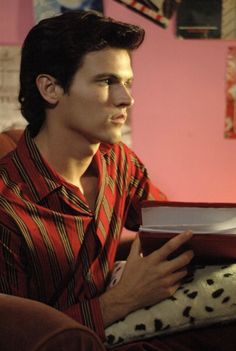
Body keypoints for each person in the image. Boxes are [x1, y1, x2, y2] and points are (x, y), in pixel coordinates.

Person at [0, 10, 235, 351]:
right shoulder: (7, 204)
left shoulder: (118, 160)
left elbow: (166, 225)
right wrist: (122, 299)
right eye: (106, 81)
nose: (126, 99)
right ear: (50, 88)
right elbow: (15, 336)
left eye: (127, 82)